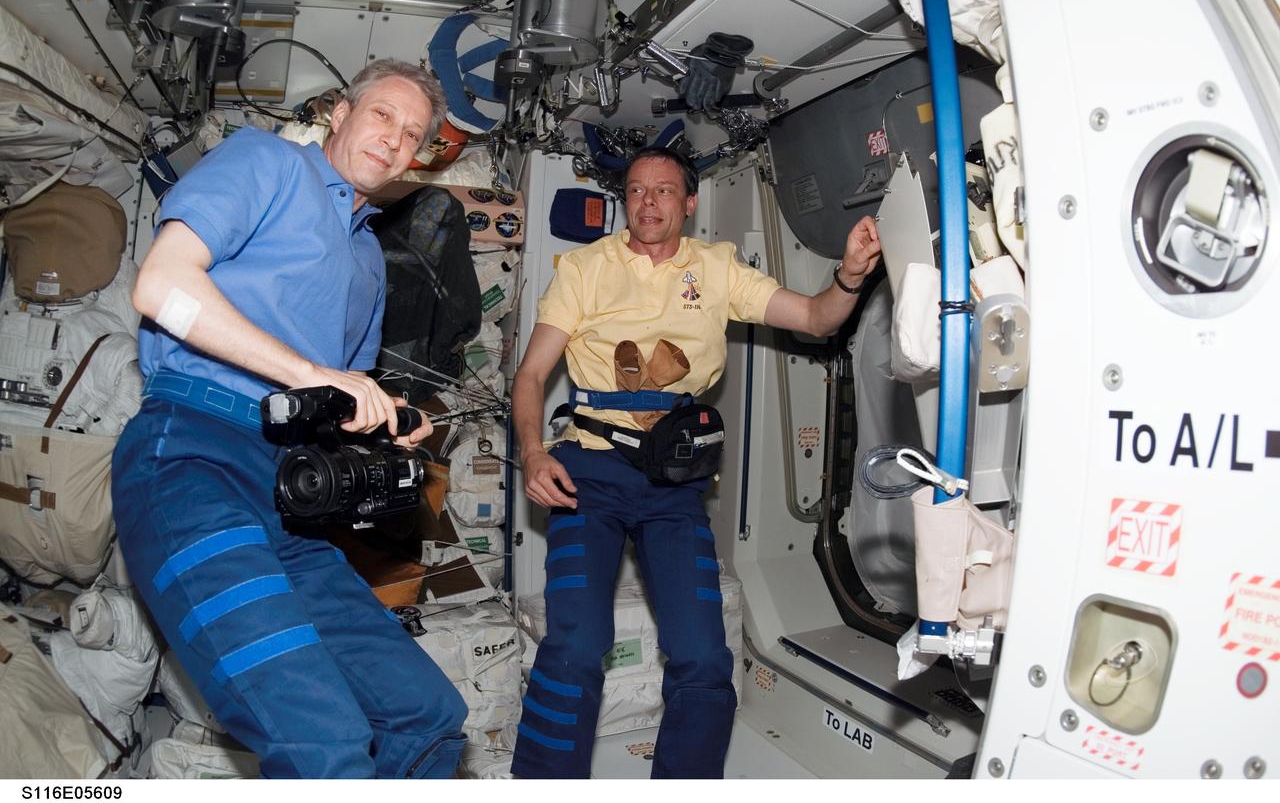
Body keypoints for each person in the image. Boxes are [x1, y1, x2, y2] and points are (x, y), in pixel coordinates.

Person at [111, 60, 468, 778]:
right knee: (322, 744)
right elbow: (161, 285)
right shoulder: (265, 162)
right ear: (340, 112)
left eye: (413, 135)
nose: (395, 139)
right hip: (191, 460)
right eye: (381, 116)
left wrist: (389, 421)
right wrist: (313, 373)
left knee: (430, 717)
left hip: (286, 500)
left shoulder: (369, 258)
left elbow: (340, 398)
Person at [510, 146, 882, 778]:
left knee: (706, 659)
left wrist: (849, 273)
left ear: (689, 202)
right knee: (575, 646)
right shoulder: (583, 268)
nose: (647, 202)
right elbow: (531, 374)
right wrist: (534, 451)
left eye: (663, 191)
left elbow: (818, 319)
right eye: (635, 191)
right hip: (588, 474)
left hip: (672, 484)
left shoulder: (718, 268)